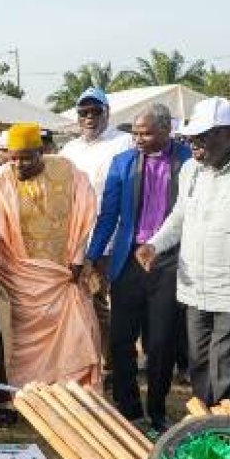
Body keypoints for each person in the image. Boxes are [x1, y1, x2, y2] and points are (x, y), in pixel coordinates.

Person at [136, 97, 230, 407]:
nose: (193, 144)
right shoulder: (191, 171)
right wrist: (154, 244)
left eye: (202, 137)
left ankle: (224, 440)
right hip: (196, 292)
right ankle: (207, 433)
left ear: (228, 133)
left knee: (226, 375)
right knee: (200, 371)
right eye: (191, 137)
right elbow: (180, 216)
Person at [82, 104, 191, 432]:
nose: (138, 139)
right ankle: (128, 408)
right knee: (119, 339)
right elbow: (109, 216)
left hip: (169, 260)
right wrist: (91, 256)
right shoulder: (123, 163)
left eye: (146, 133)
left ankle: (157, 409)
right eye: (135, 133)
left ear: (166, 131)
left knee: (160, 343)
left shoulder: (188, 161)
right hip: (128, 260)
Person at [0, 122, 100, 389]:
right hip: (19, 278)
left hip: (63, 276)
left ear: (41, 152)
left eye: (26, 158)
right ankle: (30, 393)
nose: (18, 165)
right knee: (21, 341)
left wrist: (78, 260)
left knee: (73, 332)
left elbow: (83, 215)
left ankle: (69, 389)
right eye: (12, 158)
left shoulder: (67, 172)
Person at [60, 87, 134, 379]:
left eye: (95, 111)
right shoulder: (70, 150)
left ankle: (111, 361)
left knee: (102, 302)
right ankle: (89, 358)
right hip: (77, 238)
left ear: (107, 112)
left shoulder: (124, 142)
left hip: (113, 239)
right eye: (83, 112)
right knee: (83, 300)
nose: (89, 117)